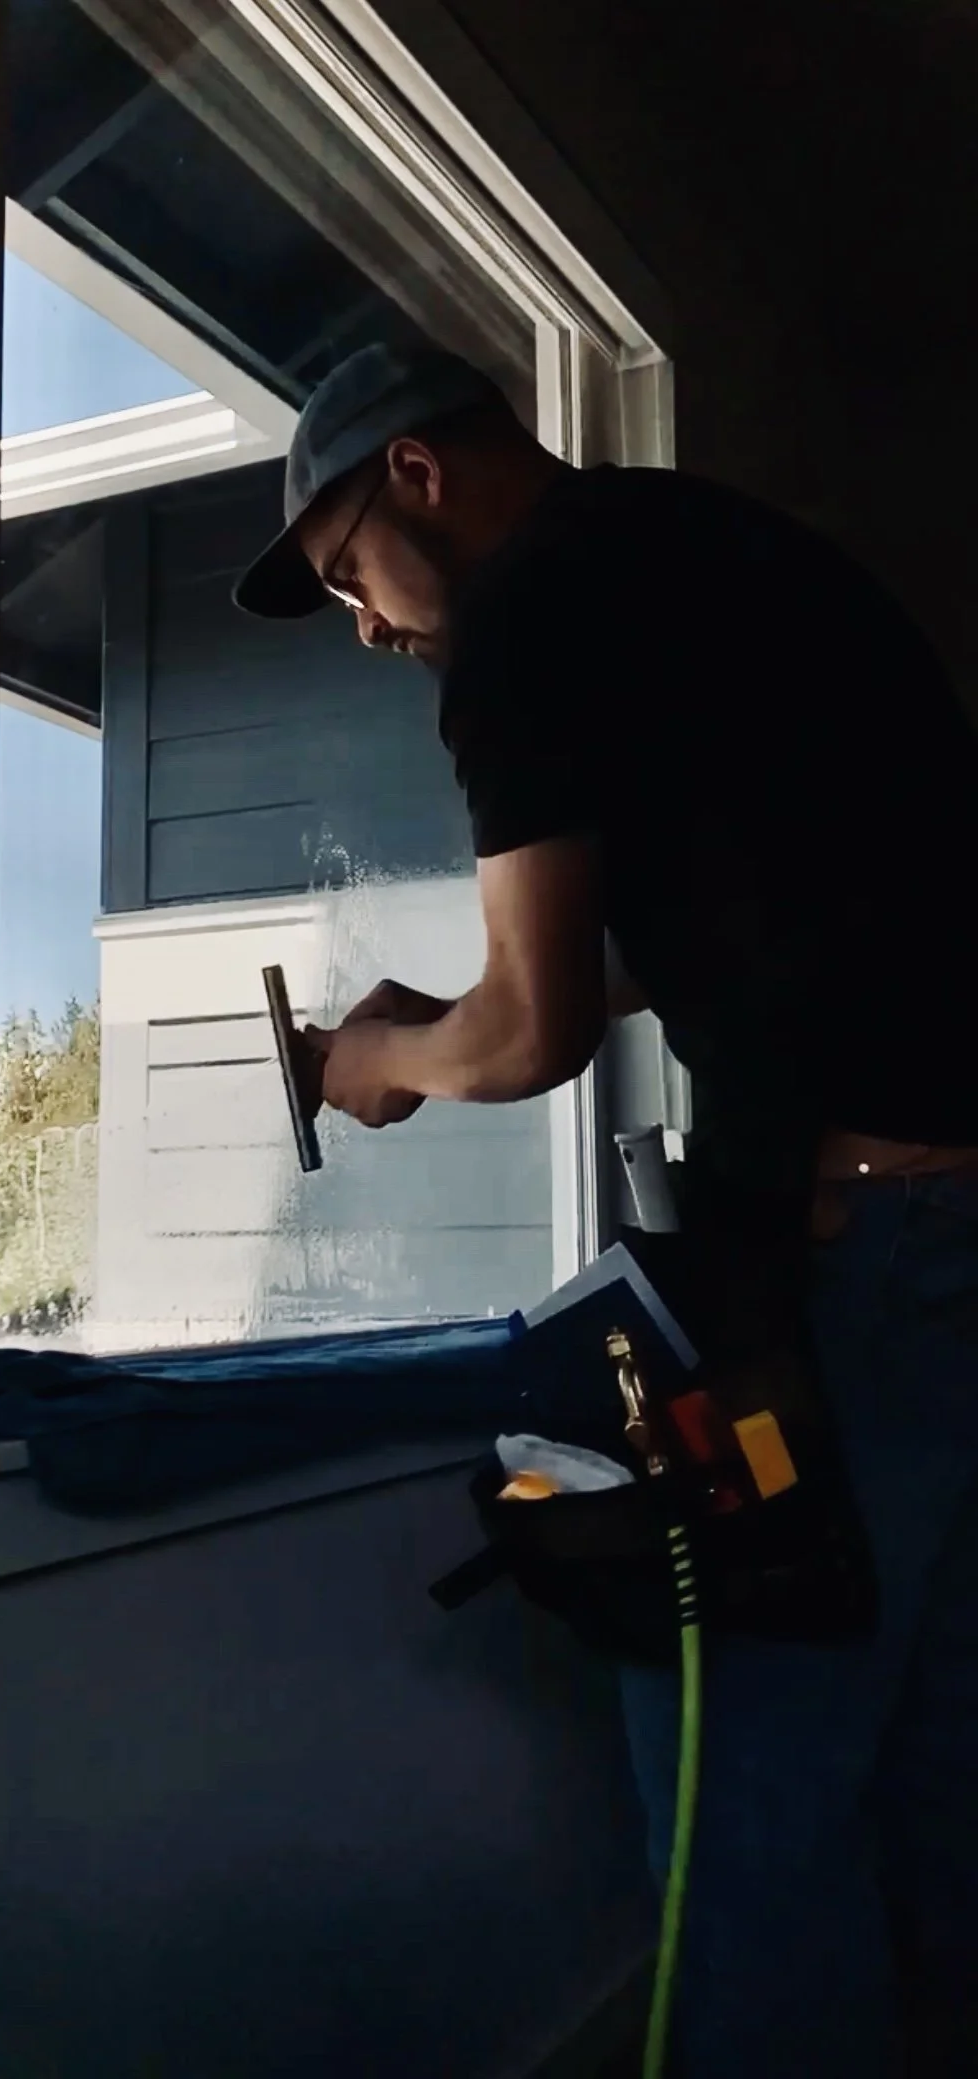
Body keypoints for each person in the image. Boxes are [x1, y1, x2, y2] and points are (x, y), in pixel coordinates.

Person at [234, 341, 978, 2076]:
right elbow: (761, 909)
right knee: (929, 1761)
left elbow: (533, 1033)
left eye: (346, 570)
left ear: (418, 474)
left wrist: (386, 1058)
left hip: (863, 1251)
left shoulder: (524, 620)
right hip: (953, 1228)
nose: (364, 624)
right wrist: (470, 998)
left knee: (741, 1788)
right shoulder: (713, 547)